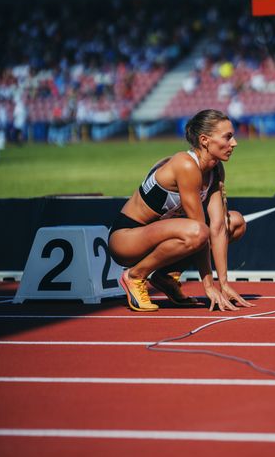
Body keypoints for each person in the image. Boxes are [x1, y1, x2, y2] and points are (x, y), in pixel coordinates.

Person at [108, 109, 254, 312]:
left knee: (235, 222)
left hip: (162, 239)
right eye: (228, 137)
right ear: (204, 140)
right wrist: (208, 286)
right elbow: (200, 231)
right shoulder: (185, 165)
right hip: (126, 240)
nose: (234, 143)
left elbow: (219, 228)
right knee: (198, 232)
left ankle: (166, 276)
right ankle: (135, 276)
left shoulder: (215, 170)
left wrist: (224, 283)